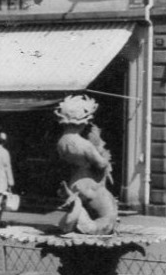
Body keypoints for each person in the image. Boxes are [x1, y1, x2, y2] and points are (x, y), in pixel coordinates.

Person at [46, 95, 118, 235]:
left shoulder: (61, 142)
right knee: (108, 216)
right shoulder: (85, 145)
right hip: (89, 184)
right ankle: (85, 225)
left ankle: (77, 213)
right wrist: (103, 153)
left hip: (74, 183)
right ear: (84, 121)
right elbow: (101, 164)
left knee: (93, 212)